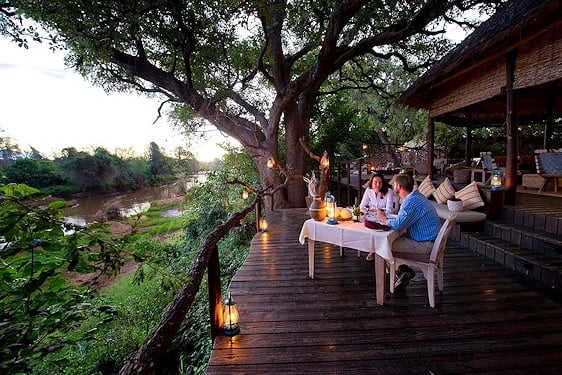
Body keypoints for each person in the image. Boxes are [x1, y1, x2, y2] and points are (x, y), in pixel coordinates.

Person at [376, 173, 441, 290]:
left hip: (425, 244)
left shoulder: (410, 202)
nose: (393, 187)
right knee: (387, 241)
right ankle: (402, 271)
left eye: (394, 184)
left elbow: (397, 225)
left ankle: (397, 275)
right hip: (428, 239)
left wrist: (383, 218)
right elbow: (403, 220)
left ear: (399, 186)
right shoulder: (417, 197)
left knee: (382, 245)